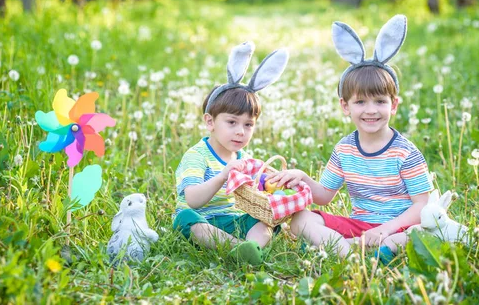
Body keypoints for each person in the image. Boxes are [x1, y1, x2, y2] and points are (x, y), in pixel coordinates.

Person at [267, 16, 433, 261]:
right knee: (301, 219)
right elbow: (324, 196)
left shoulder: (405, 153)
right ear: (345, 106)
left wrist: (386, 228)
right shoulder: (345, 149)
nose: (370, 110)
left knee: (423, 232)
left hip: (397, 227)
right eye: (360, 102)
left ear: (394, 105)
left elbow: (422, 206)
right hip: (359, 224)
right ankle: (347, 247)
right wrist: (301, 177)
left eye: (380, 101)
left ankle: (351, 248)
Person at [173, 42, 289, 266]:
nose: (240, 131)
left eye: (248, 125)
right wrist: (222, 176)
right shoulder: (197, 156)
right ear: (210, 121)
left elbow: (253, 191)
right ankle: (237, 247)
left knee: (267, 219)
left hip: (232, 220)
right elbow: (192, 200)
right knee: (184, 220)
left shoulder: (242, 157)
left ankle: (249, 248)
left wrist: (268, 182)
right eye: (232, 122)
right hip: (203, 219)